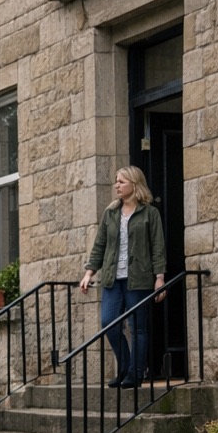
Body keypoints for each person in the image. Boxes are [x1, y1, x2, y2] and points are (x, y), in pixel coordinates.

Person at [79, 166, 168, 388]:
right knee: (109, 322)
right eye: (115, 181)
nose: (116, 185)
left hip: (138, 279)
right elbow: (100, 244)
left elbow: (157, 247)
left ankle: (135, 374)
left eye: (121, 182)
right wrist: (90, 272)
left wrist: (159, 277)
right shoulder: (110, 214)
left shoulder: (150, 214)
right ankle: (126, 366)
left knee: (138, 327)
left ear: (134, 184)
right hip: (112, 278)